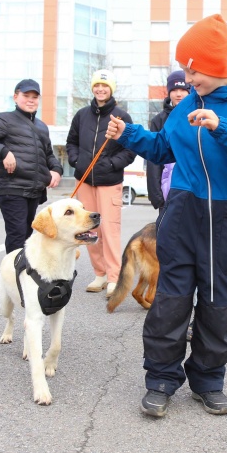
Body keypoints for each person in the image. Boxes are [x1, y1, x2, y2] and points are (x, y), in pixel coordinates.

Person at [104, 14, 227, 417]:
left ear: (217, 65)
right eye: (185, 67)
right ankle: (162, 378)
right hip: (182, 211)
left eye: (194, 68)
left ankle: (208, 379)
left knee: (220, 299)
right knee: (171, 297)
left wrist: (223, 127)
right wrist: (128, 135)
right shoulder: (186, 105)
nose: (187, 77)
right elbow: (165, 147)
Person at [66, 69, 136, 294]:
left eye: (105, 86)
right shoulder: (81, 115)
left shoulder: (122, 116)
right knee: (89, 229)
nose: (100, 89)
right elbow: (71, 143)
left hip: (109, 182)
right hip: (85, 180)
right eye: (97, 85)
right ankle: (100, 274)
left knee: (109, 229)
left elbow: (130, 149)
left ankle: (114, 276)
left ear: (111, 89)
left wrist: (112, 164)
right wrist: (77, 161)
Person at [0, 79, 63, 254]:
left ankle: (26, 275)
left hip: (34, 190)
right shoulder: (5, 119)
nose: (30, 100)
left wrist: (56, 170)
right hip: (12, 188)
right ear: (16, 97)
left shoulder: (41, 126)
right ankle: (15, 278)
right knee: (17, 235)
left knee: (30, 236)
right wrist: (3, 151)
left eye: (34, 97)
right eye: (26, 96)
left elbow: (48, 155)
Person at [147, 71, 191, 212]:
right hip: (167, 192)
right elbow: (153, 159)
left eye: (183, 90)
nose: (179, 94)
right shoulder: (158, 121)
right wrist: (157, 196)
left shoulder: (199, 116)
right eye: (174, 90)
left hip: (193, 191)